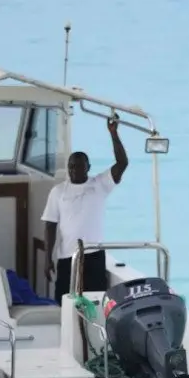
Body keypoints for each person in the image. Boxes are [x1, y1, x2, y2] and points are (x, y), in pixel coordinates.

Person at [42, 111, 129, 302]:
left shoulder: (99, 185)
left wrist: (113, 133)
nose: (74, 170)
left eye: (79, 166)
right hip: (67, 257)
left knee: (94, 300)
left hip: (94, 255)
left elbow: (122, 163)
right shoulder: (58, 191)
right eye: (71, 166)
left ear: (88, 167)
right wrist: (47, 258)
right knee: (64, 300)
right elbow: (50, 225)